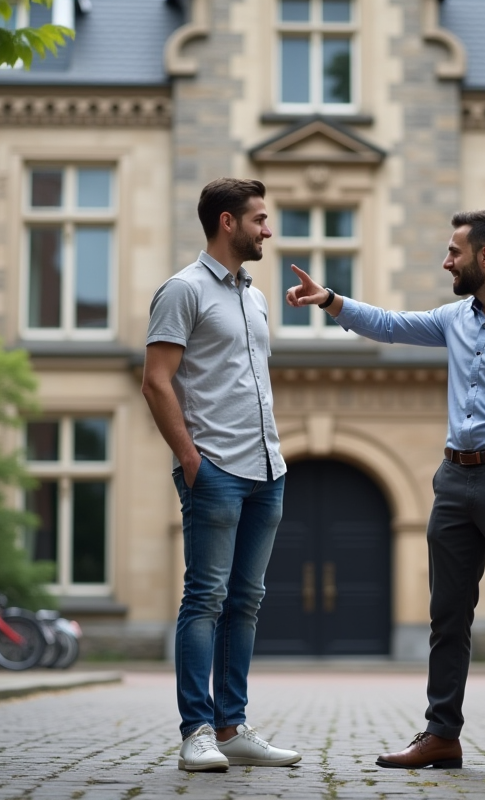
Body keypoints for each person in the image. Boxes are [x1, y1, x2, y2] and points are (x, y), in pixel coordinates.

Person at [287, 209, 485, 777]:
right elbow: (389, 325)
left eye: (453, 252)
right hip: (453, 481)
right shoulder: (453, 319)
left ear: (484, 256)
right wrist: (330, 300)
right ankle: (441, 736)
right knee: (447, 617)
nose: (446, 262)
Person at [142, 178, 301, 773]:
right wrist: (190, 458)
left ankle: (233, 726)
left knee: (247, 601)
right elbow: (156, 381)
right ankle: (197, 730)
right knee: (204, 598)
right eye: (260, 219)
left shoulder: (254, 297)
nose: (268, 229)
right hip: (215, 469)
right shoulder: (182, 290)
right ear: (228, 222)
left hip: (268, 470)